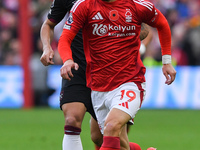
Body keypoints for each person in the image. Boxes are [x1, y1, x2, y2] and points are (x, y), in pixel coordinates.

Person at [58, 0, 176, 150]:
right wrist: (67, 60)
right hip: (99, 87)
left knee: (112, 126)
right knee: (105, 140)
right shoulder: (84, 6)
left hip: (130, 82)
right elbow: (65, 37)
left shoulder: (137, 6)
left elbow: (162, 24)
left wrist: (166, 61)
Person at [40, 0, 150, 149]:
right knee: (72, 119)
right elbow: (48, 24)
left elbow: (144, 29)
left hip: (109, 71)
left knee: (100, 138)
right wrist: (47, 48)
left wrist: (119, 36)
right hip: (76, 66)